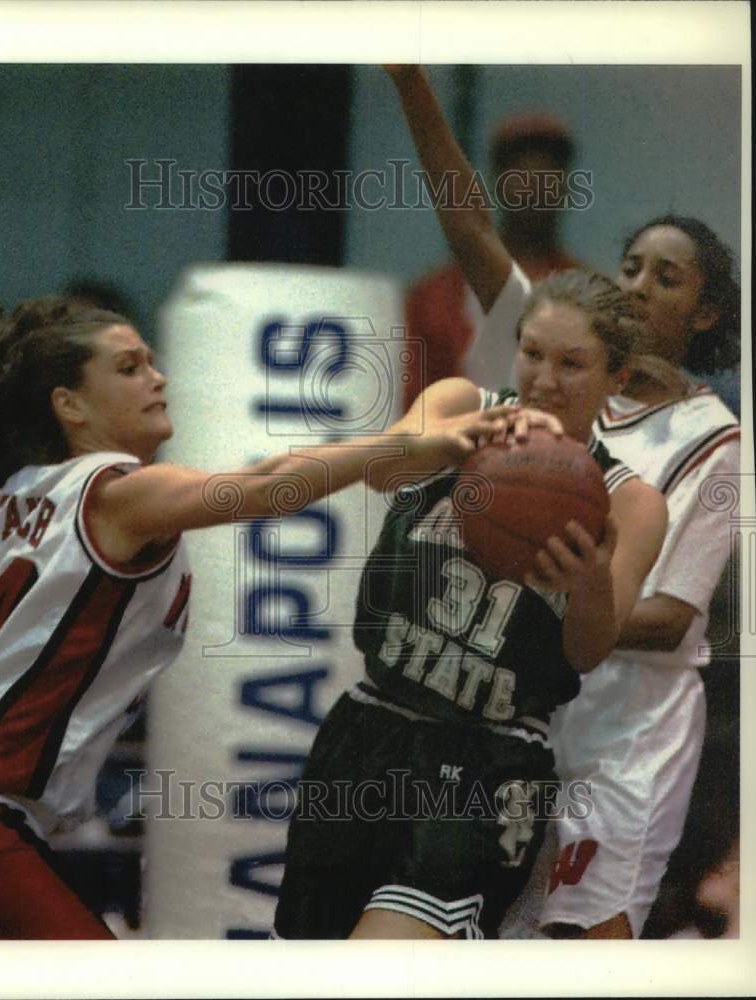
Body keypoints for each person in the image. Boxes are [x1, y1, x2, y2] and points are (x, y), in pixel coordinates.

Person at [0, 294, 558, 940]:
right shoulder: (123, 493)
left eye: (152, 360)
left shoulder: (22, 494)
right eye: (129, 367)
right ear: (70, 405)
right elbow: (265, 484)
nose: (157, 377)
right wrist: (407, 448)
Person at [385, 64, 741, 939]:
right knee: (504, 940)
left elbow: (666, 620)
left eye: (667, 277)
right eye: (630, 267)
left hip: (630, 735)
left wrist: (535, 608)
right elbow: (466, 224)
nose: (638, 286)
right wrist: (407, 81)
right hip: (535, 721)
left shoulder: (715, 437)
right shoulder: (567, 377)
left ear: (706, 314)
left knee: (586, 944)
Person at [273, 268, 668, 939]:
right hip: (368, 728)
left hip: (488, 761)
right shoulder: (457, 402)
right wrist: (439, 446)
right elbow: (380, 471)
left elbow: (587, 651)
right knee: (306, 968)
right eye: (532, 353)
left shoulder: (630, 501)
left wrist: (589, 576)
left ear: (617, 378)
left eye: (572, 364)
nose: (544, 379)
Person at [403, 108, 581, 407]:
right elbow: (415, 406)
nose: (535, 186)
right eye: (522, 174)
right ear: (497, 182)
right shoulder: (434, 296)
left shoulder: (586, 290)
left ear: (566, 185)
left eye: (548, 174)